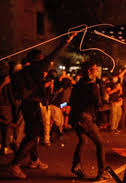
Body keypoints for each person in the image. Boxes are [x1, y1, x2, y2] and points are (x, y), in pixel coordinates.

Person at [7, 33, 77, 179]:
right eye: (42, 57)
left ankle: (34, 160)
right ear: (38, 59)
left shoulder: (23, 71)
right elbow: (54, 54)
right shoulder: (38, 67)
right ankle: (15, 164)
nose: (47, 61)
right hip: (33, 105)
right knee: (33, 135)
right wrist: (67, 40)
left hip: (26, 105)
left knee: (33, 133)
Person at [69, 61, 109, 180]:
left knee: (83, 140)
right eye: (95, 69)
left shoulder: (78, 84)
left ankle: (76, 165)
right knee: (100, 143)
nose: (97, 71)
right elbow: (99, 105)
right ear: (89, 71)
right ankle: (101, 173)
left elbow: (71, 101)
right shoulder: (92, 86)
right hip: (85, 118)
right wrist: (103, 93)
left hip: (75, 117)